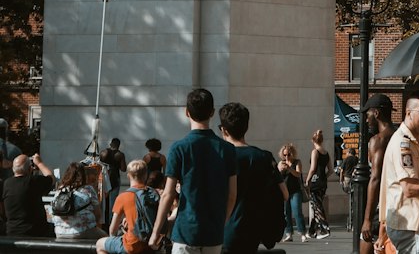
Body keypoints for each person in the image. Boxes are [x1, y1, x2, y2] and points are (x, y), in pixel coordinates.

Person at [149, 86, 238, 253]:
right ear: (212, 112)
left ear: (186, 112)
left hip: (186, 230)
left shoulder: (179, 148)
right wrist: (221, 223)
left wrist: (156, 232)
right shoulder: (227, 149)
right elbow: (232, 195)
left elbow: (167, 194)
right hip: (213, 232)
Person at [218, 101, 286, 254]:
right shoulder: (263, 157)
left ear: (224, 130)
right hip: (253, 232)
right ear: (246, 127)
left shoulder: (220, 156)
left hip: (223, 232)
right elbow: (280, 195)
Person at [378, 87, 419, 254]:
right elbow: (409, 189)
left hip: (417, 218)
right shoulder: (402, 143)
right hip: (410, 221)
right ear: (408, 112)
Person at [97, 158, 160, 254]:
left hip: (132, 244)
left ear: (128, 176)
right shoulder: (153, 193)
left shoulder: (123, 196)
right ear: (146, 175)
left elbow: (113, 229)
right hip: (152, 243)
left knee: (100, 244)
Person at [360, 92, 397, 254]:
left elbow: (375, 178)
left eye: (368, 114)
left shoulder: (378, 140)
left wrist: (367, 219)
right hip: (398, 204)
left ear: (376, 113)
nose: (367, 119)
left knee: (366, 241)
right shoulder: (400, 136)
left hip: (381, 206)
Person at [1, 152, 54, 235]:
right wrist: (39, 163)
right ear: (30, 169)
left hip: (12, 230)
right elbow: (51, 178)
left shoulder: (7, 183)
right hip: (34, 231)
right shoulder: (33, 181)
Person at [50, 160, 104, 240]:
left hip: (59, 233)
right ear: (83, 175)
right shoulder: (88, 189)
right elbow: (98, 215)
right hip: (83, 231)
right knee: (106, 240)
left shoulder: (60, 190)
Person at [305, 128, 333, 238]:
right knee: (315, 205)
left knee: (317, 205)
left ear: (313, 141)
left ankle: (324, 229)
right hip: (322, 182)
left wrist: (307, 180)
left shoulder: (314, 152)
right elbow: (330, 170)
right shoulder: (326, 153)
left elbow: (312, 168)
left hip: (315, 182)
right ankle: (312, 231)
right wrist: (324, 177)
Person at [278, 143, 307, 243]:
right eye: (285, 155)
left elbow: (298, 174)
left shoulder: (297, 162)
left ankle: (302, 233)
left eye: (289, 154)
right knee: (286, 213)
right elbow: (277, 176)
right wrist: (281, 169)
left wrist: (290, 169)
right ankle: (289, 233)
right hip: (285, 191)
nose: (287, 157)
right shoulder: (281, 163)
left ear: (292, 154)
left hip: (295, 191)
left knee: (297, 212)